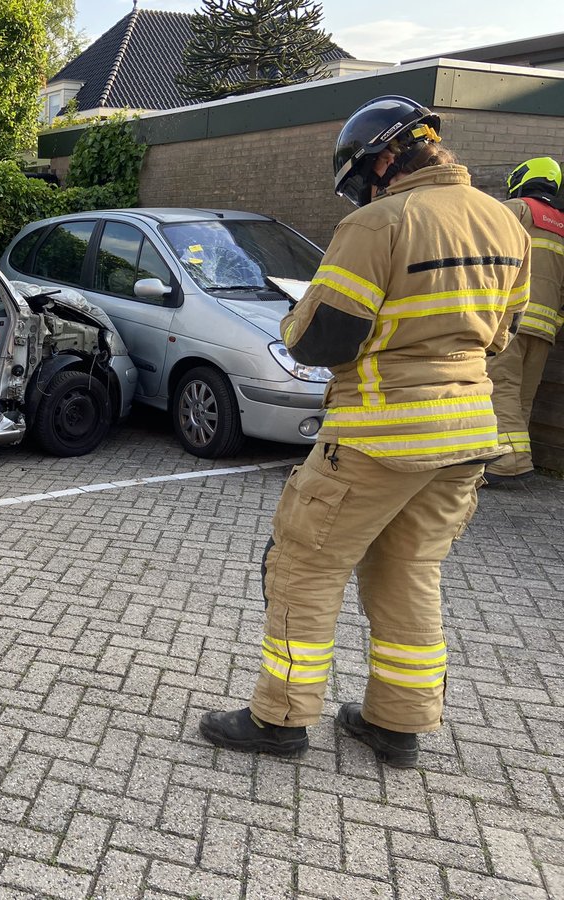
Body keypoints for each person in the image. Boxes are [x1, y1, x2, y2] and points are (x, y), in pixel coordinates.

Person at [199, 96, 531, 767]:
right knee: (409, 570)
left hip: (380, 436)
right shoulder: (507, 223)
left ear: (386, 158)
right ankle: (396, 723)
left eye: (361, 177)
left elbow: (327, 336)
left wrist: (294, 323)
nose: (361, 191)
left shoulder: (380, 224)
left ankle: (280, 719)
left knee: (303, 566)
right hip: (468, 433)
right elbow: (503, 335)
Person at [484, 157, 564, 484]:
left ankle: (510, 462)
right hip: (545, 330)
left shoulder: (515, 209)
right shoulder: (562, 223)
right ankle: (505, 455)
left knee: (500, 389)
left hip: (510, 320)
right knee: (521, 399)